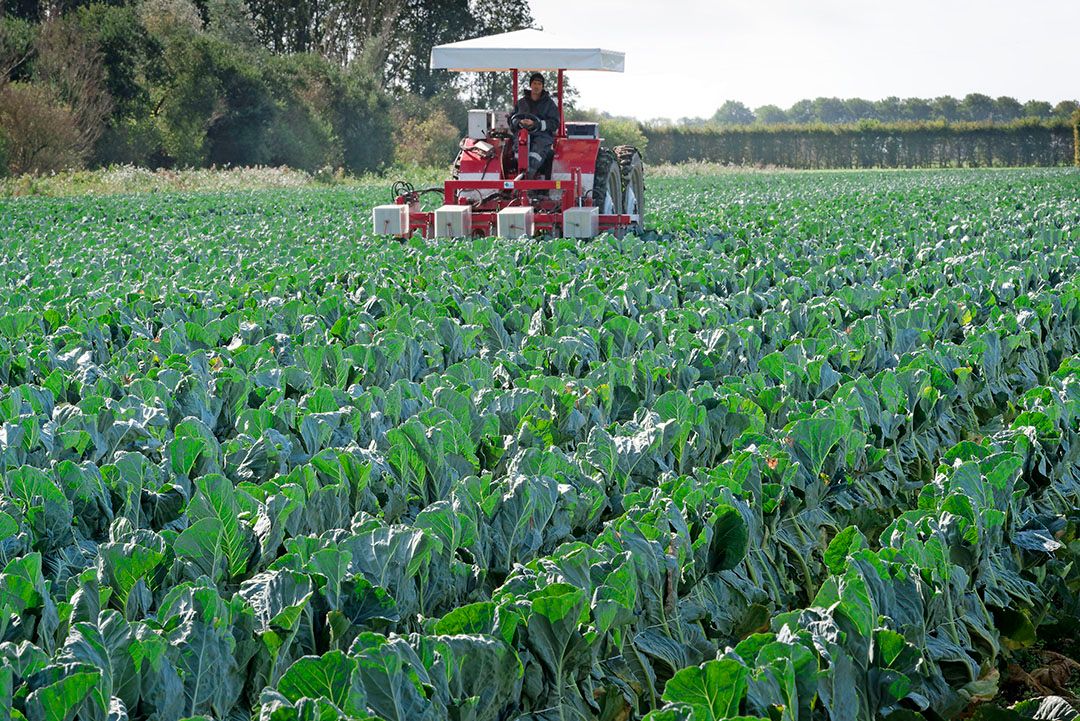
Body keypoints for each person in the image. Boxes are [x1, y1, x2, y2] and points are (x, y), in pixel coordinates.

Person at [514, 72, 560, 178]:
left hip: (542, 136)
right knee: (518, 149)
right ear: (530, 85)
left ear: (542, 86)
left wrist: (537, 124)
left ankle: (528, 178)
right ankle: (519, 175)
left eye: (539, 84)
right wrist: (519, 122)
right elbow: (512, 119)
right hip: (522, 134)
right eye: (534, 83)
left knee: (536, 152)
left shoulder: (549, 104)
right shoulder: (521, 103)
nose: (536, 86)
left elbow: (554, 123)